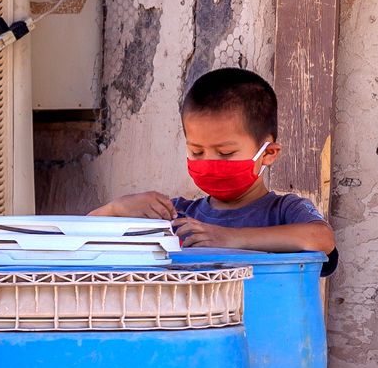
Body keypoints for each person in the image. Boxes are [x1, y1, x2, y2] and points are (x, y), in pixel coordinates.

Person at [94, 66, 337, 255]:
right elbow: (72, 240)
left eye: (225, 153)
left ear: (268, 153)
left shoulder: (284, 211)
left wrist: (229, 238)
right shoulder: (176, 215)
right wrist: (116, 209)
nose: (209, 162)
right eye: (197, 152)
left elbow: (322, 239)